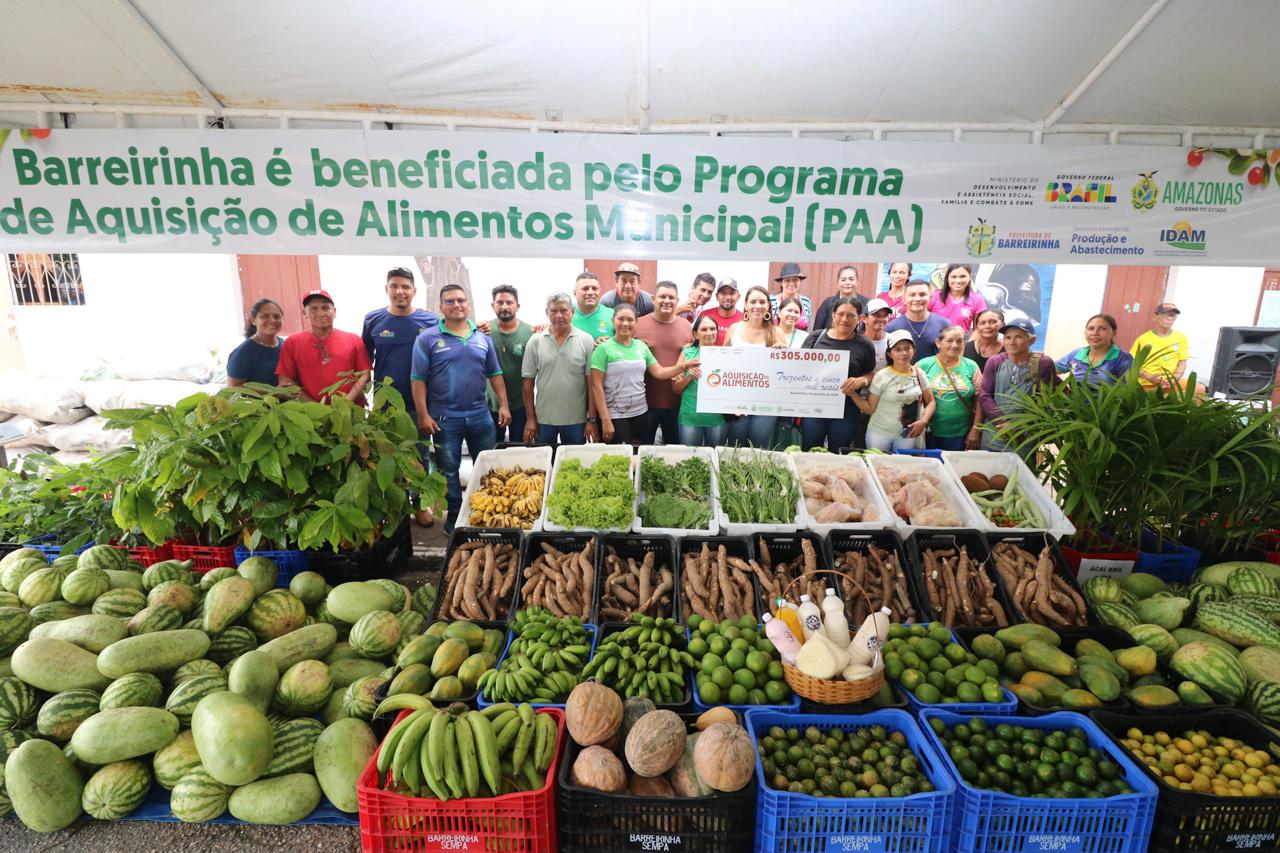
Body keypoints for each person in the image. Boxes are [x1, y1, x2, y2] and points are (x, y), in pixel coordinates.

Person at [410, 284, 510, 534]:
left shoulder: (482, 337)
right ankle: (455, 513)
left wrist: (504, 405)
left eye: (461, 301)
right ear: (442, 307)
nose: (457, 305)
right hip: (445, 418)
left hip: (480, 415)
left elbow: (495, 374)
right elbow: (418, 379)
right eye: (450, 301)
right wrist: (423, 414)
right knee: (449, 469)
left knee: (486, 465)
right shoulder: (428, 338)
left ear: (468, 304)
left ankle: (485, 510)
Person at [589, 305, 689, 445]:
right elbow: (596, 386)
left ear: (636, 323)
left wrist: (683, 366)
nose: (625, 323)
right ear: (613, 321)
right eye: (621, 319)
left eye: (630, 320)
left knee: (639, 453)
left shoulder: (640, 346)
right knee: (622, 456)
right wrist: (605, 420)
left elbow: (659, 372)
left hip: (641, 412)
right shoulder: (603, 348)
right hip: (616, 415)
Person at [800, 295, 877, 453]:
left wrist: (860, 381)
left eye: (851, 315)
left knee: (839, 452)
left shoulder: (864, 345)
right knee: (810, 451)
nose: (845, 319)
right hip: (814, 407)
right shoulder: (816, 338)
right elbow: (798, 367)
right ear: (833, 315)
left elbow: (871, 374)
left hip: (846, 409)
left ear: (860, 318)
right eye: (840, 314)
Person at [522, 293, 598, 447]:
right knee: (543, 465)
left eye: (564, 310)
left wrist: (591, 420)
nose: (559, 316)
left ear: (573, 312)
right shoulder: (535, 341)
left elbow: (592, 385)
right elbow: (527, 385)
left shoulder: (586, 340)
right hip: (544, 419)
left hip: (576, 420)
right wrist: (531, 419)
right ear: (546, 313)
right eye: (553, 311)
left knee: (574, 465)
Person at [361, 266, 437, 413]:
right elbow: (365, 361)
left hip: (422, 404)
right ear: (386, 289)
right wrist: (362, 391)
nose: (400, 292)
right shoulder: (372, 320)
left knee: (419, 437)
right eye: (394, 286)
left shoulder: (431, 321)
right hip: (384, 403)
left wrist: (476, 326)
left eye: (405, 287)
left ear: (414, 291)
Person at [978, 317, 1058, 455]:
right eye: (1007, 337)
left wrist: (1020, 426)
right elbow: (985, 396)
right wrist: (1004, 423)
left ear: (1032, 340)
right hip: (995, 432)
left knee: (1021, 472)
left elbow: (1046, 398)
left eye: (1018, 337)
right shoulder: (995, 361)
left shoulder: (1043, 363)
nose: (1011, 342)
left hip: (1025, 435)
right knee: (987, 472)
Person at [277, 290, 371, 404]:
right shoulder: (292, 342)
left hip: (350, 412)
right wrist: (315, 407)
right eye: (314, 309)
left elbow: (364, 375)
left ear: (334, 311)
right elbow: (286, 379)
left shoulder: (353, 340)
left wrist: (345, 403)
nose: (321, 313)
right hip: (308, 414)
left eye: (325, 308)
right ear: (304, 313)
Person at [855, 329, 935, 452]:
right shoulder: (881, 376)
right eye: (897, 349)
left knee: (902, 468)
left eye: (907, 348)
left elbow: (930, 402)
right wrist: (851, 394)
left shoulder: (919, 374)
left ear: (913, 350)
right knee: (879, 467)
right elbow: (869, 408)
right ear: (890, 354)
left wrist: (923, 421)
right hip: (879, 434)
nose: (903, 353)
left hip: (907, 434)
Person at [635, 281, 693, 444]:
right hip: (645, 404)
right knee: (642, 451)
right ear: (653, 299)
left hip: (677, 404)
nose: (667, 300)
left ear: (677, 300)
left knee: (673, 453)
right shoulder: (638, 325)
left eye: (671, 297)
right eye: (662, 296)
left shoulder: (687, 326)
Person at [724, 286, 781, 447]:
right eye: (753, 301)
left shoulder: (776, 333)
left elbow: (784, 372)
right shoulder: (734, 329)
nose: (758, 305)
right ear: (746, 305)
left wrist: (782, 354)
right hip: (737, 400)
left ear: (769, 306)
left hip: (766, 402)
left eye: (762, 302)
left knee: (758, 449)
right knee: (735, 448)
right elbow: (722, 363)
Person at [918, 325, 983, 451]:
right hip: (928, 431)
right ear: (938, 343)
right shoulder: (924, 365)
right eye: (949, 341)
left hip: (960, 433)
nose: (955, 345)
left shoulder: (971, 366)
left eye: (960, 341)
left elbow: (980, 400)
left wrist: (975, 430)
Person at [482, 285, 533, 443]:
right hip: (491, 405)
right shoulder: (483, 331)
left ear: (517, 306)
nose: (504, 306)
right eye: (500, 302)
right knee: (492, 450)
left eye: (509, 303)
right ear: (493, 306)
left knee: (518, 449)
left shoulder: (529, 332)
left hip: (520, 404)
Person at [673, 314, 728, 447]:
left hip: (717, 418)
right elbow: (675, 389)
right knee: (690, 459)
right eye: (704, 329)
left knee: (715, 458)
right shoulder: (687, 354)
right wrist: (689, 377)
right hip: (690, 417)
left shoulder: (727, 355)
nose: (709, 333)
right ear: (695, 334)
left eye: (712, 329)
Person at [1131, 303, 1204, 393]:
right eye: (1165, 314)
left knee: (1200, 389)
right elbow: (1132, 365)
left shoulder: (1181, 338)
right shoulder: (1143, 339)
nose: (1169, 318)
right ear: (1155, 317)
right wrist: (1149, 377)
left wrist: (1174, 379)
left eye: (1172, 315)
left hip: (1171, 382)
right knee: (1156, 395)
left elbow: (1182, 363)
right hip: (1148, 383)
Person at [1055, 314, 1134, 387]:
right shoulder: (1075, 355)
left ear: (1114, 332)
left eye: (1103, 329)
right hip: (1073, 401)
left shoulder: (1123, 359)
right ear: (1085, 332)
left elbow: (1129, 391)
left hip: (1108, 402)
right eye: (1091, 329)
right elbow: (1050, 372)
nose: (1095, 333)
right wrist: (1043, 361)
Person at [886, 279, 949, 362]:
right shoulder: (891, 328)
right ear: (904, 299)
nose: (917, 299)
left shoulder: (944, 325)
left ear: (930, 298)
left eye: (922, 294)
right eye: (912, 295)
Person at [227, 298, 285, 387]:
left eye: (277, 316)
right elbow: (233, 388)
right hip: (256, 401)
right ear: (253, 320)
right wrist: (272, 393)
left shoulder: (283, 344)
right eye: (265, 316)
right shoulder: (244, 352)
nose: (272, 320)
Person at [929, 263, 988, 334]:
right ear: (947, 278)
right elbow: (923, 323)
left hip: (960, 343)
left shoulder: (977, 299)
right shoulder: (934, 296)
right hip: (933, 343)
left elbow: (977, 331)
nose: (958, 281)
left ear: (970, 277)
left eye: (963, 276)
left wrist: (969, 344)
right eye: (953, 277)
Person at [812, 265, 862, 331]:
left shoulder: (866, 303)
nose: (847, 282)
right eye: (843, 280)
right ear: (838, 283)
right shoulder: (827, 303)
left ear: (857, 282)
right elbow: (817, 330)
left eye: (851, 279)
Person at [769, 262, 813, 331]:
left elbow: (807, 327)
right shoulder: (770, 301)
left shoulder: (806, 301)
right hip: (775, 341)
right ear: (781, 282)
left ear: (800, 281)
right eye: (787, 280)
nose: (791, 283)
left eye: (795, 280)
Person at [571, 271, 614, 339]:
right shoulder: (565, 313)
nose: (590, 292)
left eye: (594, 289)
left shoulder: (612, 314)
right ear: (575, 293)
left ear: (600, 292)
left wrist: (607, 344)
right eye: (585, 289)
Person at [700, 279, 743, 345]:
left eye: (732, 293)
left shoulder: (744, 320)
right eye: (723, 293)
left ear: (738, 296)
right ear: (717, 296)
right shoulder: (704, 315)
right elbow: (695, 340)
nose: (728, 297)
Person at [862, 297, 893, 370]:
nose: (882, 319)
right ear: (864, 318)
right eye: (877, 315)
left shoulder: (893, 341)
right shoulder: (857, 342)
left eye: (885, 316)